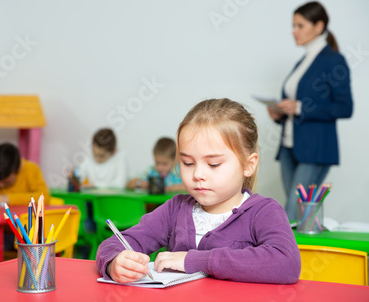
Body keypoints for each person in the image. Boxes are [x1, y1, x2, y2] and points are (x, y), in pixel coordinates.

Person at [97, 98, 301, 284]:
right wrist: (115, 261)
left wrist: (196, 260)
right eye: (187, 162)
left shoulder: (264, 212)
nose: (198, 174)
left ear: (248, 165)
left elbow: (286, 264)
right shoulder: (175, 209)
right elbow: (115, 243)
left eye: (213, 164)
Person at [267, 1, 353, 220]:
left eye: (300, 25)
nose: (293, 31)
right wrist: (280, 113)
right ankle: (304, 254)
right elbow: (295, 108)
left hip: (315, 150)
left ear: (318, 26)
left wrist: (299, 107)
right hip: (289, 147)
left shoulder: (333, 60)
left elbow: (345, 107)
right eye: (293, 26)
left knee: (292, 212)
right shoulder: (302, 62)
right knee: (300, 216)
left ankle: (283, 255)